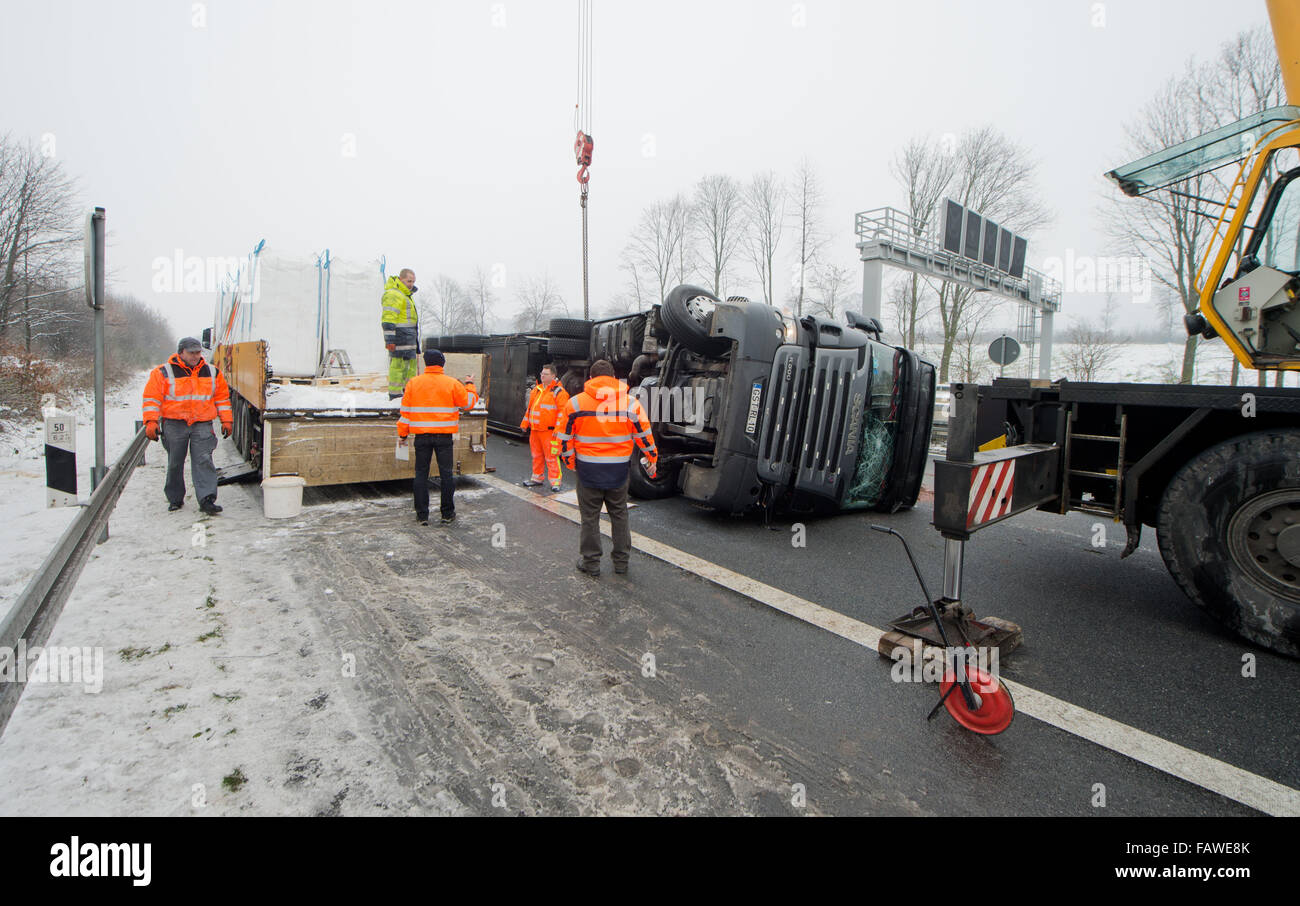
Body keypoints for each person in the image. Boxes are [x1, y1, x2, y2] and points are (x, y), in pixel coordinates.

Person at [558, 359, 658, 577]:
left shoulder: (575, 404)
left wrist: (570, 462)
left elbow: (564, 439)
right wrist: (652, 457)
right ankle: (621, 563)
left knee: (590, 517)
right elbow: (644, 436)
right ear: (614, 378)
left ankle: (591, 563)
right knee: (619, 514)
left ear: (591, 378)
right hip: (619, 472)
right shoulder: (631, 404)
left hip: (587, 471)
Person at [142, 337, 233, 515]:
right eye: (191, 352)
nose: (195, 356)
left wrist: (226, 420)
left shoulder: (212, 372)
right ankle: (175, 498)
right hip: (175, 424)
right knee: (175, 462)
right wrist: (151, 421)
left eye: (198, 352)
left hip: (202, 424)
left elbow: (222, 398)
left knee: (204, 460)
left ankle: (207, 499)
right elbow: (152, 399)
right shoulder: (163, 372)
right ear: (181, 352)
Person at [397, 348, 477, 525]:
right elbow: (469, 404)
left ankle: (422, 515)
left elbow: (405, 414)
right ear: (442, 364)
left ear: (426, 363)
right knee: (446, 475)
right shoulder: (452, 384)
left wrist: (402, 434)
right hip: (444, 438)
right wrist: (469, 384)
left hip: (422, 438)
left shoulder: (413, 383)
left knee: (420, 475)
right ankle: (447, 514)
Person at [519, 364, 569, 491]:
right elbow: (530, 410)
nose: (542, 376)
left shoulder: (559, 392)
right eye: (542, 373)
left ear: (553, 376)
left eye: (545, 374)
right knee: (536, 456)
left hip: (549, 432)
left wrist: (558, 431)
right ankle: (537, 478)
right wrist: (525, 424)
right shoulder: (537, 390)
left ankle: (555, 482)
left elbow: (563, 414)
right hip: (535, 431)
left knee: (552, 457)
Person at [381, 268, 420, 399]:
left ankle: (408, 393)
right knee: (398, 366)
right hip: (400, 338)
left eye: (413, 281)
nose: (411, 284)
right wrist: (390, 340)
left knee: (410, 367)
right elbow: (388, 319)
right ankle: (395, 395)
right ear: (401, 279)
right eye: (409, 281)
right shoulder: (394, 294)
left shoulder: (405, 295)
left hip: (409, 339)